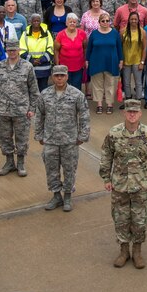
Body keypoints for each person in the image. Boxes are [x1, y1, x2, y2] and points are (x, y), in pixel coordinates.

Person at [100, 99, 147, 269]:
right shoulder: (114, 133)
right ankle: (123, 251)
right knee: (121, 218)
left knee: (140, 220)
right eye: (129, 112)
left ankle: (137, 251)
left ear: (140, 114)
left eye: (135, 112)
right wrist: (106, 178)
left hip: (141, 185)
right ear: (124, 113)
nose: (132, 115)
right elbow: (106, 155)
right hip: (119, 185)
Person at [34, 65, 91, 212]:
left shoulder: (77, 94)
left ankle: (67, 196)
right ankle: (56, 195)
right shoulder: (44, 95)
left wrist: (83, 135)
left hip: (69, 140)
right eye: (56, 75)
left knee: (69, 169)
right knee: (51, 169)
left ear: (67, 76)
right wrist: (39, 134)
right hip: (50, 139)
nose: (59, 78)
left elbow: (84, 115)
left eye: (62, 75)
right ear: (52, 77)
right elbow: (39, 115)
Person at [0, 39, 39, 177]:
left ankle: (20, 163)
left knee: (22, 138)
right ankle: (9, 162)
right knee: (4, 137)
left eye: (14, 50)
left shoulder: (27, 66)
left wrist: (32, 108)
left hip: (21, 110)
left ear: (19, 50)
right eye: (9, 50)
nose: (12, 52)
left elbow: (34, 90)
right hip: (3, 109)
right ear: (6, 51)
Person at [86, 13, 122, 114]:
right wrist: (87, 60)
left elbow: (119, 48)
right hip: (96, 62)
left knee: (110, 84)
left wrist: (121, 60)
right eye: (103, 21)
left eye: (107, 21)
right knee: (98, 84)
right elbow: (89, 49)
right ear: (99, 22)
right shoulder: (94, 34)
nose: (105, 23)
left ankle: (109, 104)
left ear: (110, 22)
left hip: (111, 62)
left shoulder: (115, 33)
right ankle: (99, 104)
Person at [20, 14, 55, 91]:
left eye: (38, 21)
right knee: (31, 90)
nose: (36, 22)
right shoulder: (25, 34)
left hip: (44, 67)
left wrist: (41, 60)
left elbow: (51, 49)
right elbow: (22, 50)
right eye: (34, 21)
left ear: (40, 22)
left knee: (43, 90)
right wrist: (32, 60)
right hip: (30, 67)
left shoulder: (47, 33)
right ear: (31, 22)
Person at [54, 14, 88, 90]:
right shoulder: (60, 35)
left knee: (77, 87)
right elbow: (56, 51)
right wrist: (57, 64)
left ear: (76, 23)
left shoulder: (82, 34)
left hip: (78, 66)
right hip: (64, 67)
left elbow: (85, 48)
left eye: (74, 22)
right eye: (70, 22)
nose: (72, 23)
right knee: (65, 87)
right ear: (66, 23)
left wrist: (85, 61)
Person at [120, 11, 146, 101]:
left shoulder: (143, 32)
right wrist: (121, 60)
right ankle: (128, 99)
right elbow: (120, 46)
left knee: (138, 82)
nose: (133, 21)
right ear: (129, 20)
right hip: (126, 60)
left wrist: (142, 62)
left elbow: (145, 48)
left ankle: (138, 100)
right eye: (132, 19)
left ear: (138, 20)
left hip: (137, 61)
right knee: (126, 82)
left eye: (135, 19)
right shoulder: (123, 31)